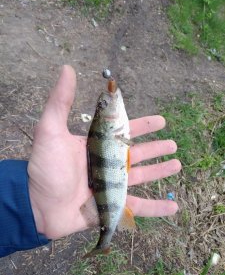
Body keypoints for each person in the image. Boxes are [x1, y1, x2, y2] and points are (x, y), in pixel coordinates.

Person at [0, 65, 181, 260]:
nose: (106, 100)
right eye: (102, 105)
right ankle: (104, 241)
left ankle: (104, 240)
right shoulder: (115, 130)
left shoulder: (116, 130)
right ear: (104, 120)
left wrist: (33, 204)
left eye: (101, 105)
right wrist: (33, 205)